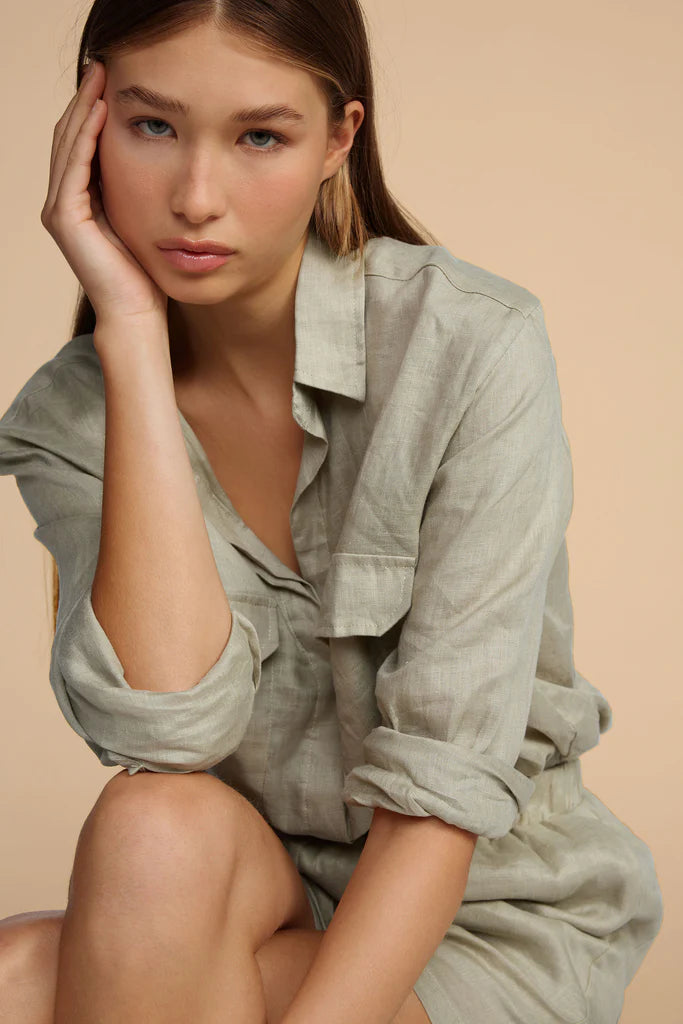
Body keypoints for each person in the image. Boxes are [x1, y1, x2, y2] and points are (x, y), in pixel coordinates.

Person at [0, 1, 664, 1022]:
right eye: (152, 125)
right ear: (88, 118)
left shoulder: (467, 347)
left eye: (259, 136)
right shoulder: (72, 416)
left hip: (483, 910)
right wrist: (130, 334)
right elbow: (167, 729)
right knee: (145, 832)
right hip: (242, 886)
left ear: (338, 139)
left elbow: (438, 800)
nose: (195, 198)